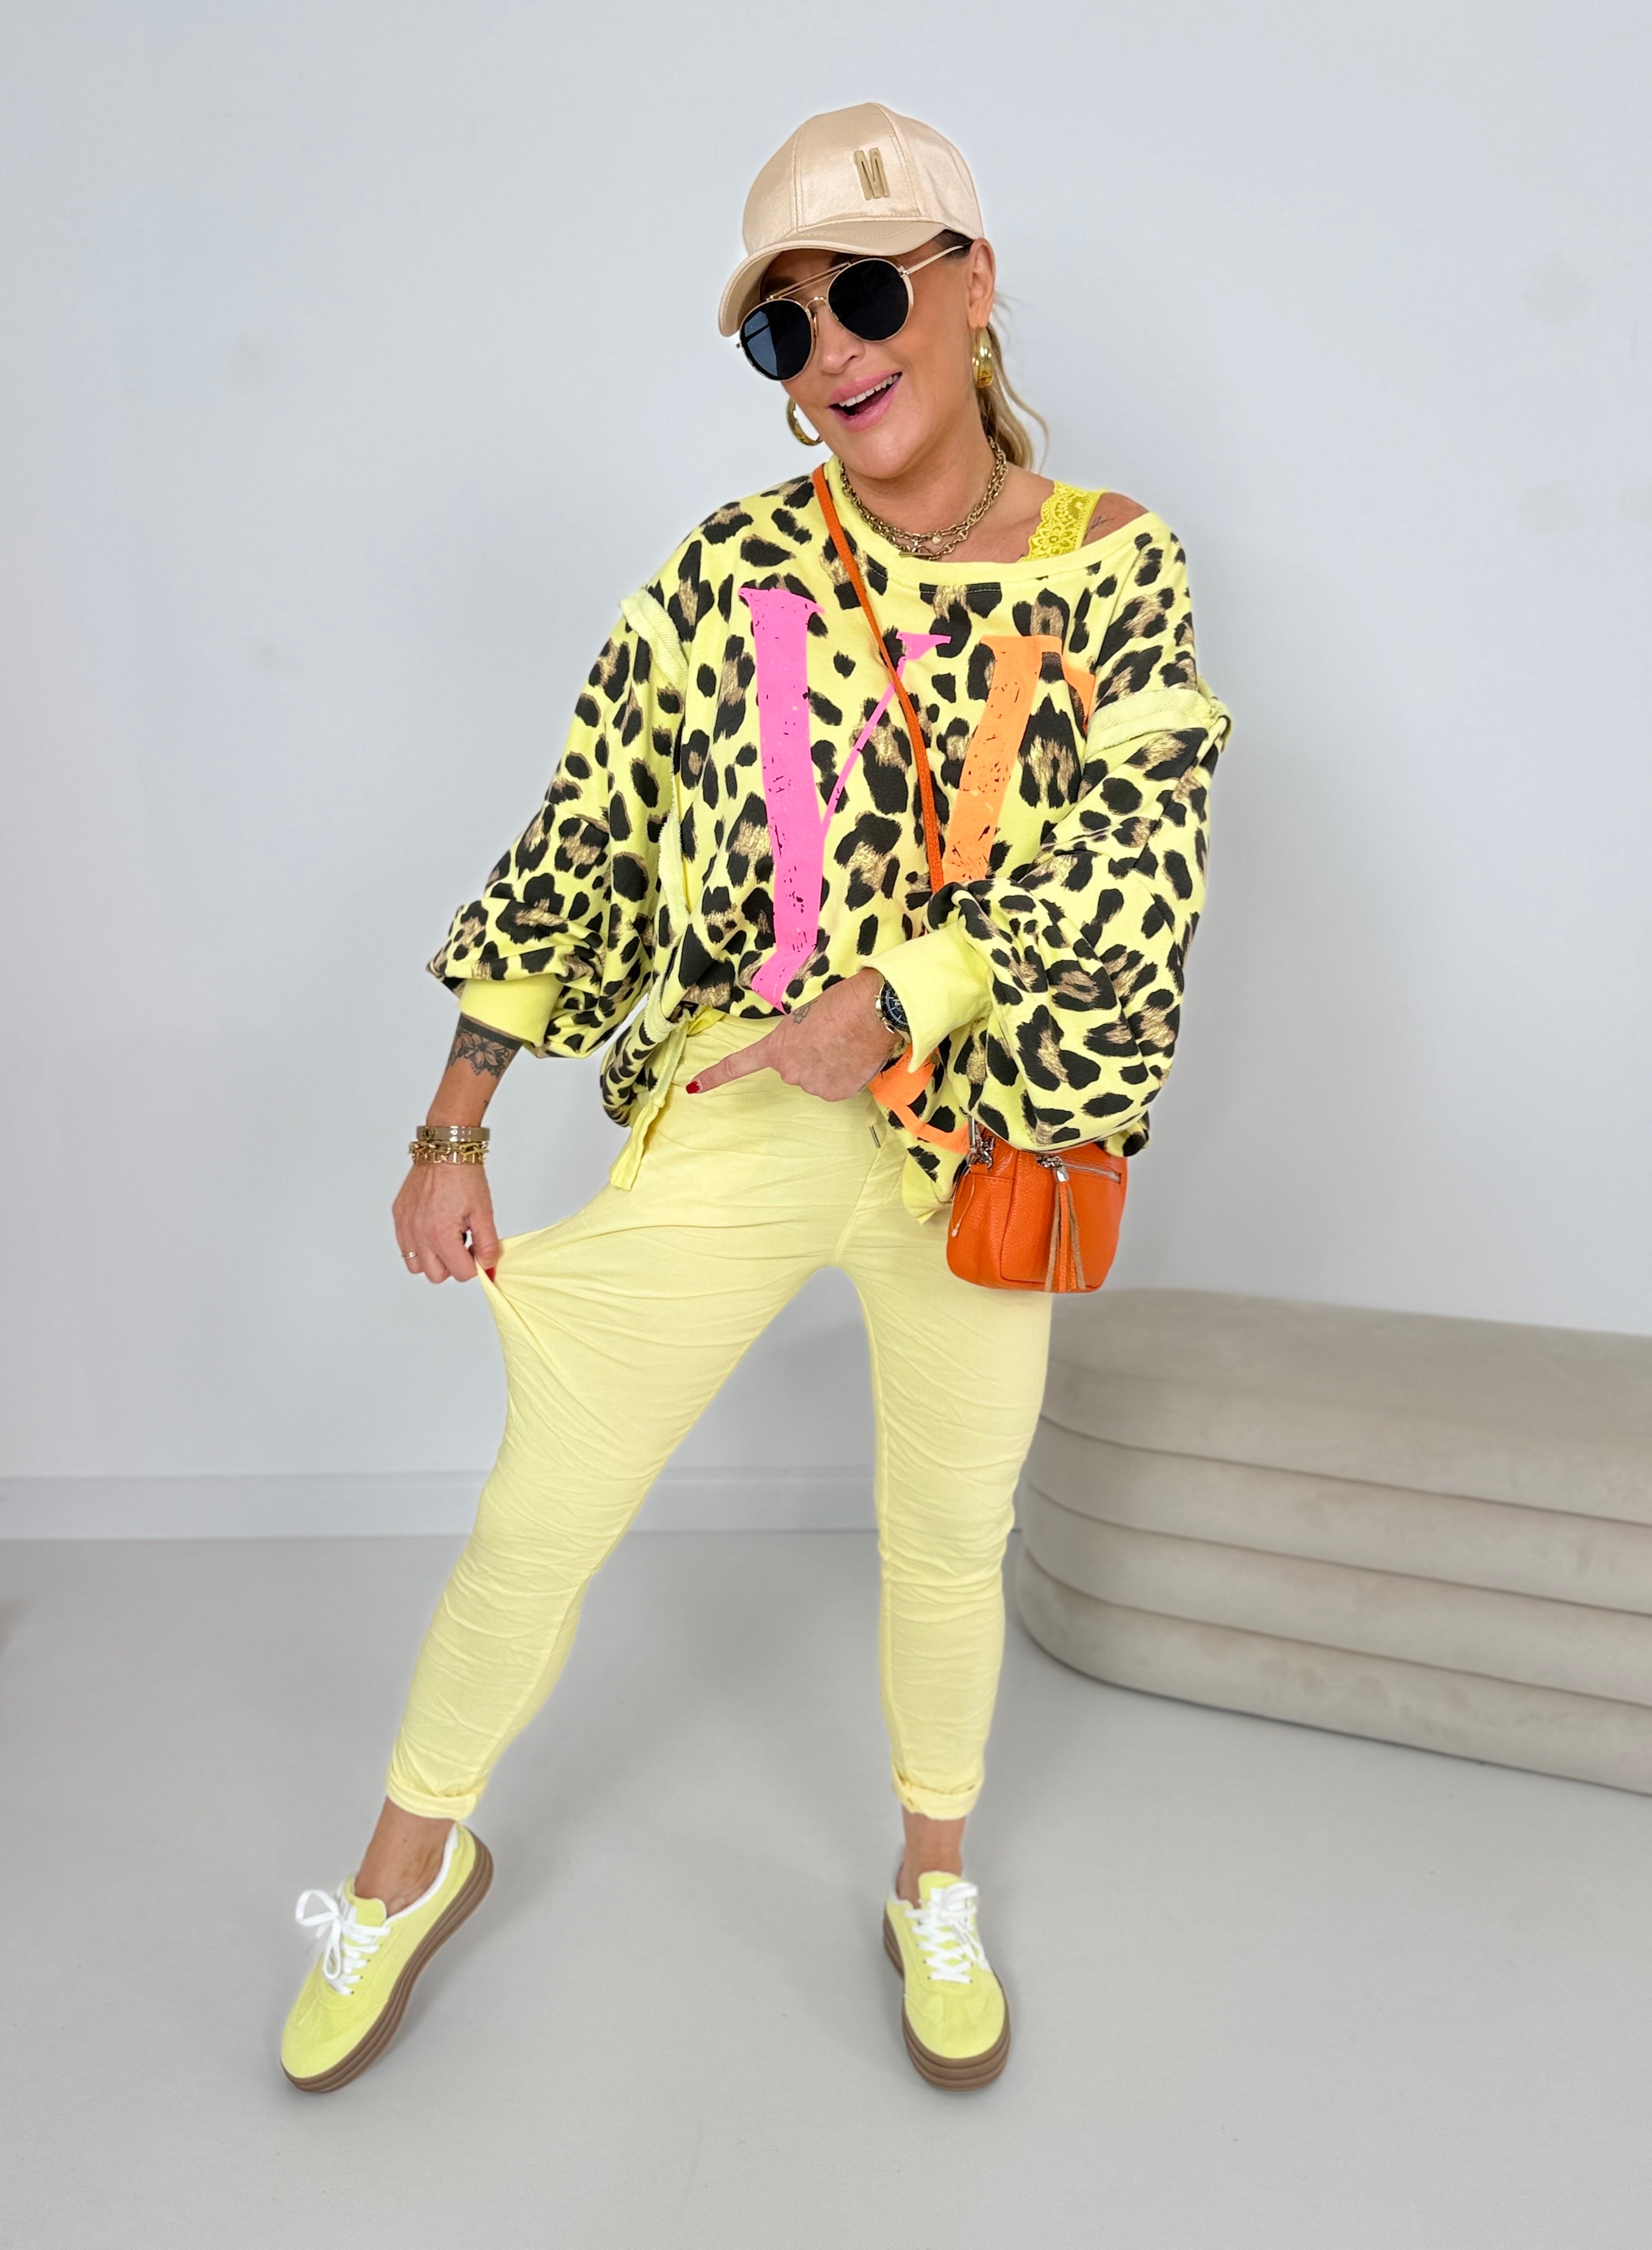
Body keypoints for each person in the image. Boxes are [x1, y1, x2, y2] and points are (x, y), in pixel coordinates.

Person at [279, 100, 1232, 2096]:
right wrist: (453, 1119)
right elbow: (589, 836)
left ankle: (934, 1878)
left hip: (988, 1139)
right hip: (754, 1106)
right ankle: (402, 1869)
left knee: (948, 1532)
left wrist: (903, 996)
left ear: (974, 286)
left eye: (866, 295)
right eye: (783, 329)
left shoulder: (1114, 566)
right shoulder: (729, 574)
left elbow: (1138, 859)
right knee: (549, 1493)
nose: (834, 355)